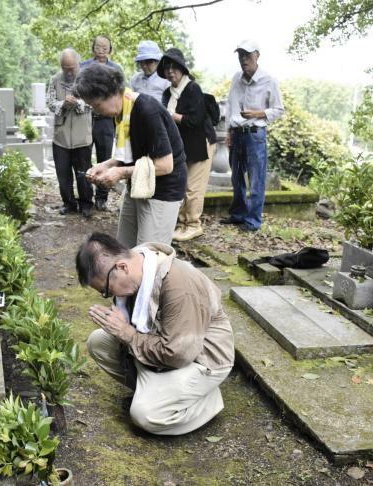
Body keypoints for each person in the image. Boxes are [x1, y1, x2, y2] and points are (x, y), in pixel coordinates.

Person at [76, 232, 235, 435]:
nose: (109, 296)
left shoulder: (180, 286)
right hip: (164, 349)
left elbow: (178, 354)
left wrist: (127, 334)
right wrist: (123, 331)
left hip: (201, 359)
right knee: (98, 342)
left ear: (122, 267)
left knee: (146, 415)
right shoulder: (140, 267)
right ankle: (158, 392)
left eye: (106, 290)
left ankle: (205, 402)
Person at [74, 63, 187, 248]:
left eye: (96, 105)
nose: (95, 110)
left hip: (164, 189)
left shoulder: (146, 109)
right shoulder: (122, 113)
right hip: (137, 184)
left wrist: (119, 173)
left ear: (110, 93)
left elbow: (166, 165)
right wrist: (106, 166)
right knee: (124, 248)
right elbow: (128, 154)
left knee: (149, 256)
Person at [222, 39, 284, 232]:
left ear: (257, 56)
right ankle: (239, 214)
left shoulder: (269, 80)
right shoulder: (236, 78)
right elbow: (230, 106)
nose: (244, 59)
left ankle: (253, 221)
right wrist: (228, 132)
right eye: (241, 56)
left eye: (247, 56)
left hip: (255, 135)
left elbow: (279, 109)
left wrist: (257, 114)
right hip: (237, 134)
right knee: (237, 177)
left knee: (256, 179)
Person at [158, 48, 217, 242]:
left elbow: (197, 119)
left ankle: (193, 224)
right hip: (184, 146)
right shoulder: (168, 93)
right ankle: (182, 223)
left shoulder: (192, 88)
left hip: (202, 143)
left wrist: (174, 117)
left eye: (175, 68)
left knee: (194, 187)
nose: (171, 72)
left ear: (183, 69)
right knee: (183, 185)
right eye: (167, 68)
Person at [46, 48, 94, 217]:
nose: (68, 71)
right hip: (61, 136)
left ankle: (87, 204)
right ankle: (69, 203)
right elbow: (50, 102)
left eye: (72, 68)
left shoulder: (87, 79)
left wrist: (78, 104)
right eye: (65, 68)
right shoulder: (54, 80)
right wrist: (63, 104)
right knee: (63, 174)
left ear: (78, 64)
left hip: (83, 135)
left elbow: (95, 102)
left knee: (83, 173)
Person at [80, 35, 123, 212]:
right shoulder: (83, 67)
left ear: (110, 49)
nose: (101, 50)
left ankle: (102, 197)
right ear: (93, 48)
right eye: (98, 47)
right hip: (86, 118)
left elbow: (121, 93)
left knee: (104, 157)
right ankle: (86, 198)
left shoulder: (116, 69)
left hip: (106, 120)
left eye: (105, 47)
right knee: (84, 156)